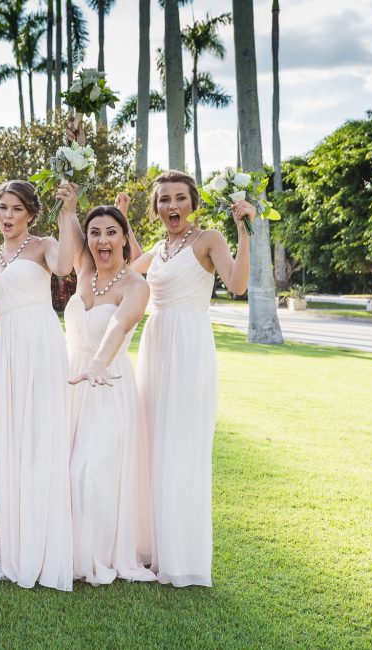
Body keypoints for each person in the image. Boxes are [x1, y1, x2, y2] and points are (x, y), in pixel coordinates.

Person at [126, 169, 255, 587]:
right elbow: (127, 266)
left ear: (193, 203)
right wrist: (122, 221)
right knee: (153, 444)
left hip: (189, 349)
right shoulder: (160, 249)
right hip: (156, 342)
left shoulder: (209, 240)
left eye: (179, 198)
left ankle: (183, 558)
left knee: (181, 448)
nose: (172, 206)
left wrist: (245, 231)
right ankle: (152, 548)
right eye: (164, 199)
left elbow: (236, 284)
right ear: (157, 207)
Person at [0, 179, 75, 591]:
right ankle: (13, 539)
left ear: (31, 214)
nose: (7, 215)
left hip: (39, 344)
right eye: (3, 207)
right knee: (9, 439)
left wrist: (68, 214)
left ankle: (42, 544)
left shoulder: (43, 246)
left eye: (16, 208)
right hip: (5, 351)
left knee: (40, 438)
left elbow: (67, 267)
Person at [62, 203, 156, 586]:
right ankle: (65, 549)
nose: (103, 239)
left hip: (107, 382)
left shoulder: (136, 285)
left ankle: (95, 555)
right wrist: (69, 200)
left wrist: (99, 363)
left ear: (123, 237)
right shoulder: (85, 270)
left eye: (111, 232)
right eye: (95, 232)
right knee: (65, 468)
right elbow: (68, 226)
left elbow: (119, 326)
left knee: (90, 470)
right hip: (70, 382)